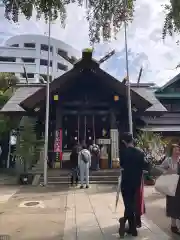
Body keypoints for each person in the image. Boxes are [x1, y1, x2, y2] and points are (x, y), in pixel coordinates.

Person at [119, 132, 148, 237]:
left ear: (123, 142)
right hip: (136, 183)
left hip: (126, 183)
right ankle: (132, 228)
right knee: (133, 205)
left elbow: (121, 165)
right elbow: (146, 166)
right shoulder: (140, 152)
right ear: (132, 140)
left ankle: (128, 224)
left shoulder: (123, 152)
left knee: (128, 205)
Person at [158, 144, 180, 235]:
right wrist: (167, 172)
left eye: (178, 149)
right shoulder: (168, 160)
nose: (177, 151)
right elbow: (160, 168)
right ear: (172, 151)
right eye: (175, 150)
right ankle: (173, 225)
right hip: (172, 185)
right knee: (173, 205)